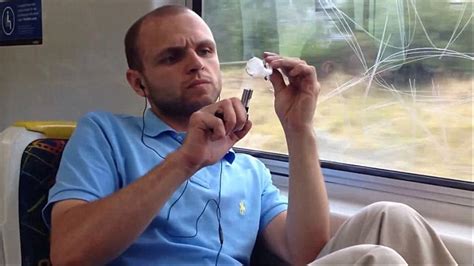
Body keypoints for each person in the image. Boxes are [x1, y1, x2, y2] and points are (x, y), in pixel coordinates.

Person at [42, 5, 457, 266]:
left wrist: (299, 128)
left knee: (393, 217)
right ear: (139, 83)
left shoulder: (249, 171)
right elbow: (70, 253)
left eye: (205, 51)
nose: (195, 63)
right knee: (376, 261)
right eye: (172, 56)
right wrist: (185, 160)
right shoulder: (105, 133)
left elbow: (307, 254)